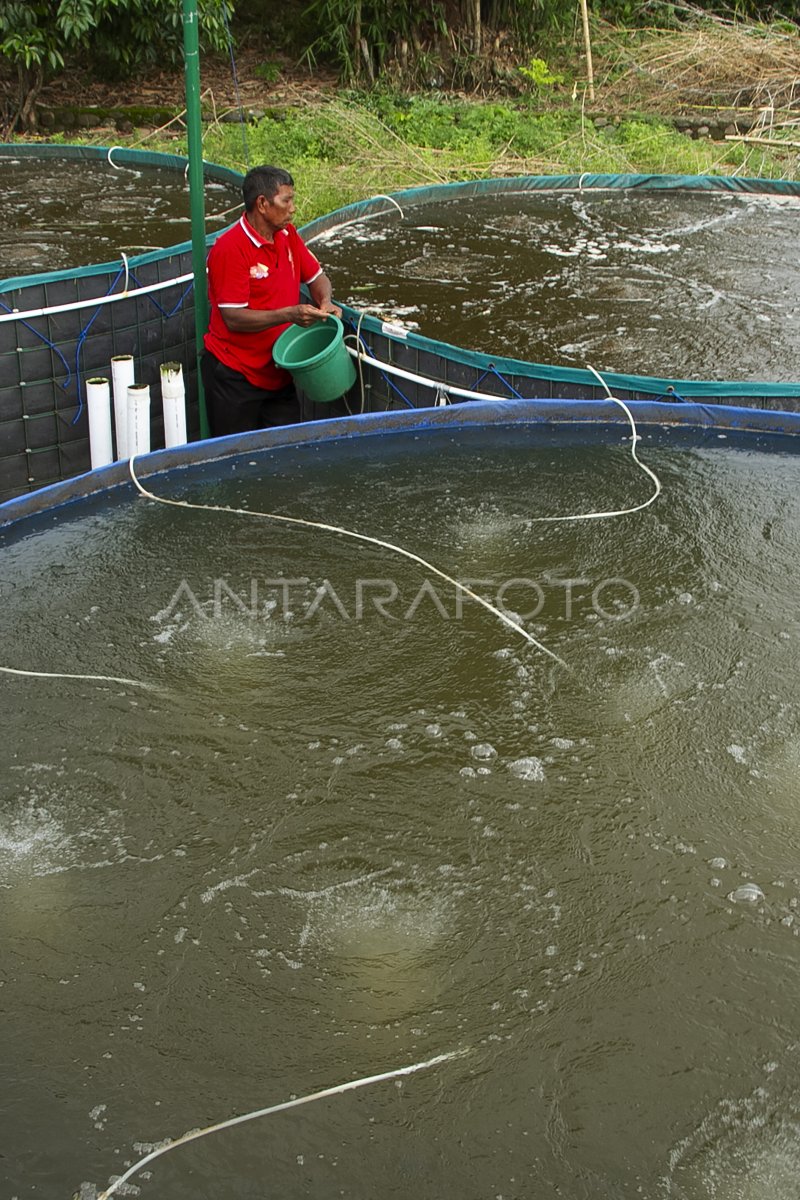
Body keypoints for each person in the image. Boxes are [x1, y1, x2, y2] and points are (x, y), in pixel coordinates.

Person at [201, 165, 341, 437]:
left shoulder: (287, 236)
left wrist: (325, 301)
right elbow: (234, 318)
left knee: (286, 454)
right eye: (286, 201)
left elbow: (317, 277)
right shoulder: (231, 249)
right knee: (235, 458)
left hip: (278, 372)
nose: (293, 208)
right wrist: (289, 315)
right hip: (235, 376)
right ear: (262, 204)